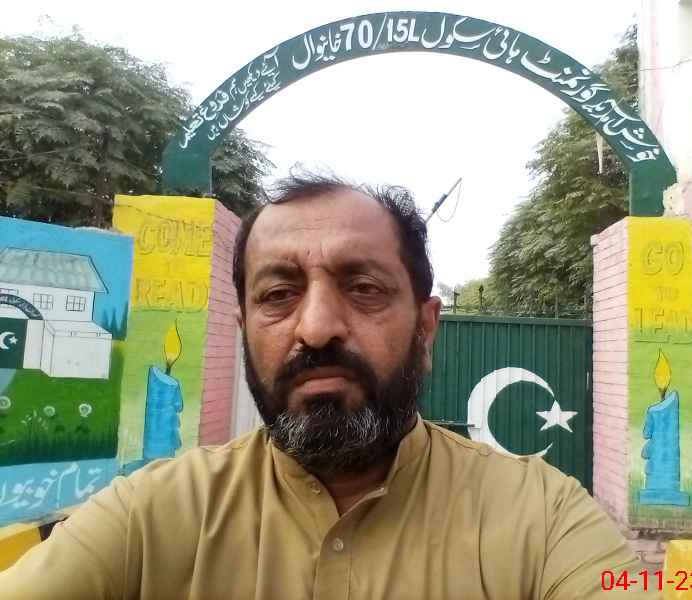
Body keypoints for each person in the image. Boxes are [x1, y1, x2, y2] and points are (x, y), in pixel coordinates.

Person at [0, 172, 654, 599]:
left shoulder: (545, 517)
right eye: (278, 294)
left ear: (426, 329)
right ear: (244, 330)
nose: (315, 328)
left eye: (363, 288)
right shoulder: (148, 516)